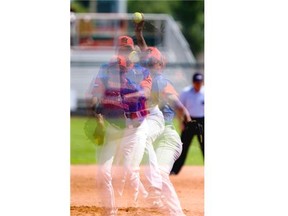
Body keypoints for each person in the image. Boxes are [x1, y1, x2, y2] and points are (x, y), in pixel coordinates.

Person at [86, 50, 152, 215]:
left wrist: (123, 101)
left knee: (129, 171)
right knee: (103, 172)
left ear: (125, 72)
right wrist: (99, 118)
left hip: (134, 131)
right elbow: (95, 100)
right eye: (112, 69)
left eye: (118, 69)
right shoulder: (105, 85)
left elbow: (143, 100)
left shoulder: (132, 88)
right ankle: (110, 211)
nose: (114, 72)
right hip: (112, 130)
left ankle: (134, 208)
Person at [171, 72, 204, 175]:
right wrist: (181, 122)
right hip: (188, 121)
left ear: (202, 82)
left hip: (203, 122)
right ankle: (174, 170)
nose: (198, 85)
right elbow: (179, 108)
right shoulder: (186, 92)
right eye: (196, 82)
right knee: (183, 147)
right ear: (193, 82)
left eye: (200, 83)